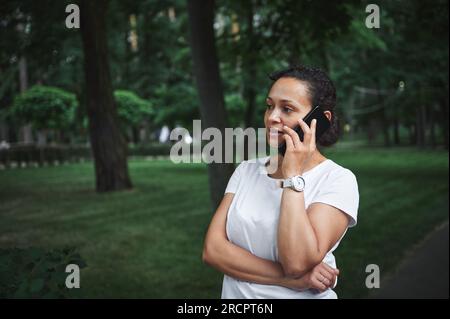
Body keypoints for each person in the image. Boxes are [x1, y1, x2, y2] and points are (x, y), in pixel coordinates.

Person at [202, 65, 360, 299]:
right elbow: (213, 251)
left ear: (320, 119)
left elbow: (297, 261)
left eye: (287, 109)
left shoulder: (337, 180)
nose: (272, 118)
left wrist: (292, 177)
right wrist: (288, 279)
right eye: (269, 106)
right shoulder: (247, 170)